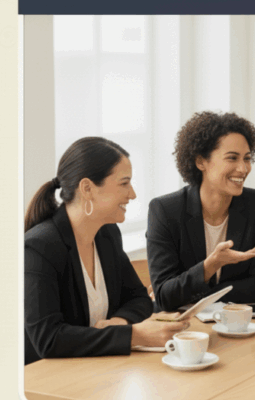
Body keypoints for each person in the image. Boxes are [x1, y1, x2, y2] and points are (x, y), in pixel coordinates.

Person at [24, 137, 189, 365]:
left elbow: (139, 299)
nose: (132, 194)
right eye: (124, 183)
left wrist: (120, 322)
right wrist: (136, 335)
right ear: (88, 188)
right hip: (45, 380)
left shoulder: (107, 234)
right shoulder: (39, 247)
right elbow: (48, 339)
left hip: (97, 369)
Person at [147, 111, 255, 312]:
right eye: (232, 158)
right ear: (201, 162)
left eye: (247, 158)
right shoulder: (165, 210)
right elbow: (165, 296)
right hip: (182, 330)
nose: (243, 169)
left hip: (237, 323)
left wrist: (201, 291)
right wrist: (210, 266)